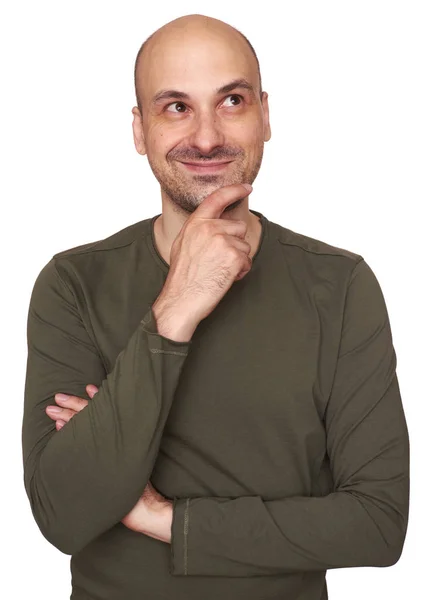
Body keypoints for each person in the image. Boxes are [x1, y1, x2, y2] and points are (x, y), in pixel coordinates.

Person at [22, 13, 410, 600]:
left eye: (231, 100)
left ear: (266, 115)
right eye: (175, 106)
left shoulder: (341, 286)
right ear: (139, 130)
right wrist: (177, 306)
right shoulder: (72, 283)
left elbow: (378, 524)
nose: (206, 137)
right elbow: (64, 515)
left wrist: (167, 520)